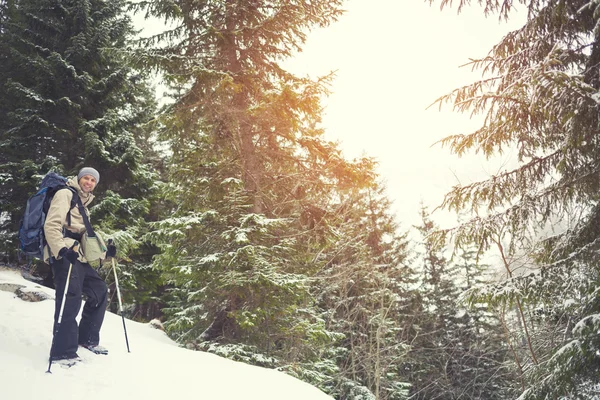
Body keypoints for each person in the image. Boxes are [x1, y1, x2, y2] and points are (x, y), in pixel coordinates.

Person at [43, 167, 117, 362]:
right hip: (64, 253)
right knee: (71, 295)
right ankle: (62, 351)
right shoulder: (65, 194)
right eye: (86, 178)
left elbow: (85, 237)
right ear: (79, 178)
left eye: (93, 180)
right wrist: (61, 250)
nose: (89, 182)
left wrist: (105, 253)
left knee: (99, 290)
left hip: (78, 255)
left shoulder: (83, 203)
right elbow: (51, 225)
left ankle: (87, 339)